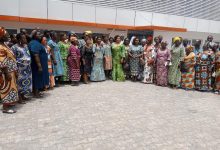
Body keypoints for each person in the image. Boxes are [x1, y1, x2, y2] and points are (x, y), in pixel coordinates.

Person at [0, 27, 18, 113]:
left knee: (11, 87)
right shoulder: (0, 47)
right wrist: (6, 72)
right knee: (6, 88)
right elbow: (2, 60)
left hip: (11, 71)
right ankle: (5, 107)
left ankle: (9, 103)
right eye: (5, 35)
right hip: (5, 72)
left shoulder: (5, 45)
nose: (8, 36)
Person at [11, 33, 32, 104]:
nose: (25, 39)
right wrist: (15, 69)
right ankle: (19, 97)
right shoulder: (14, 47)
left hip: (27, 68)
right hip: (20, 68)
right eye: (23, 38)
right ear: (19, 39)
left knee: (26, 82)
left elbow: (28, 55)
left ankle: (23, 95)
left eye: (25, 38)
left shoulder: (26, 46)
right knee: (19, 83)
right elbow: (13, 59)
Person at [29, 31, 49, 97]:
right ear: (34, 36)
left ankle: (37, 91)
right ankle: (36, 92)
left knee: (39, 78)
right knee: (37, 78)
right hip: (36, 66)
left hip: (40, 64)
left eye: (40, 34)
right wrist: (39, 66)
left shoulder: (37, 43)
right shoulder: (34, 43)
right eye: (38, 34)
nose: (40, 35)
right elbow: (35, 54)